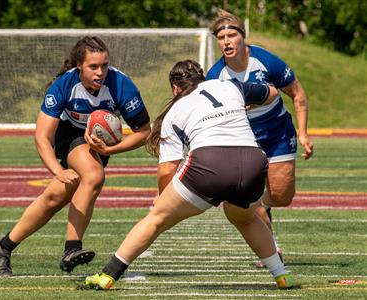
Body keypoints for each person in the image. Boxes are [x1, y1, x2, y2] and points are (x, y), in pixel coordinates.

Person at [82, 60, 295, 290]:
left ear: (175, 88)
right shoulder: (230, 86)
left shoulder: (175, 111)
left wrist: (164, 201)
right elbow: (272, 92)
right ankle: (281, 275)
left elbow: (167, 169)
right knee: (245, 218)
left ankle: (108, 275)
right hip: (254, 161)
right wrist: (248, 105)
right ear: (202, 79)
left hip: (210, 163)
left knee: (155, 219)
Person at [0, 36, 151, 277]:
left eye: (105, 65)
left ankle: (4, 246)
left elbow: (144, 133)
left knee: (54, 198)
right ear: (79, 66)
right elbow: (42, 137)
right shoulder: (63, 86)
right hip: (68, 136)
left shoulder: (122, 85)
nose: (101, 72)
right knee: (94, 175)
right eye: (93, 67)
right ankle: (71, 248)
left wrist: (110, 150)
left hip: (97, 144)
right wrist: (57, 170)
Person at [206, 9, 314, 267]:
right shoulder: (215, 76)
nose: (226, 41)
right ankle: (272, 250)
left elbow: (297, 95)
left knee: (281, 196)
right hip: (244, 139)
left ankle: (262, 204)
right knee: (247, 197)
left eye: (232, 35)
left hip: (277, 133)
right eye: (221, 37)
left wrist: (304, 133)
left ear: (244, 38)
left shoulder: (267, 62)